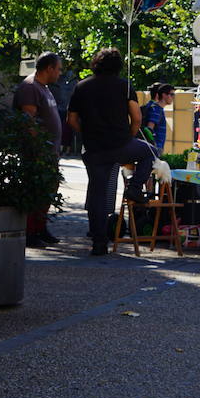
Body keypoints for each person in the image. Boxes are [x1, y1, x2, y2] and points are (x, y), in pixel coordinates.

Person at [67, 48, 154, 257]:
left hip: (95, 149)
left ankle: (98, 244)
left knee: (97, 194)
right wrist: (129, 136)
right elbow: (137, 118)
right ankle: (134, 188)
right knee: (148, 153)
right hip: (120, 144)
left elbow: (71, 119)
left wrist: (86, 133)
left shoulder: (82, 86)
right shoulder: (124, 86)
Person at [14, 51, 64, 247]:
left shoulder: (44, 87)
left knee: (48, 190)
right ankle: (30, 232)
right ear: (49, 68)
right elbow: (29, 121)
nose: (60, 73)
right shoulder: (29, 87)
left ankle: (40, 228)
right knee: (37, 190)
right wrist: (40, 149)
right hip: (38, 153)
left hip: (50, 152)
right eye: (58, 69)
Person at [141, 82, 174, 155]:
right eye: (171, 94)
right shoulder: (156, 109)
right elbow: (149, 129)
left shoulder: (156, 108)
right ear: (164, 95)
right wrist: (154, 145)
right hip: (155, 147)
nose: (173, 97)